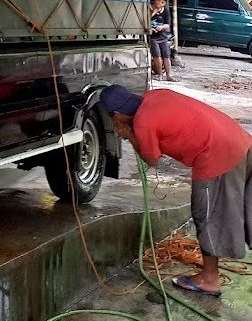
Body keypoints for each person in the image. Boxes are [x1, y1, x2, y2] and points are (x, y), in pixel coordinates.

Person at [100, 84, 252, 297]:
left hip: (217, 154)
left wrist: (128, 133)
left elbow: (151, 159)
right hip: (240, 140)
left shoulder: (143, 122)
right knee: (247, 210)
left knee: (206, 215)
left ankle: (209, 280)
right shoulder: (153, 96)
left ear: (116, 115)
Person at [149, 0, 176, 81]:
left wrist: (161, 27)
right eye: (157, 0)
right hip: (153, 37)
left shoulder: (166, 11)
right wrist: (154, 12)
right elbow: (145, 20)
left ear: (163, 3)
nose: (158, 2)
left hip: (163, 36)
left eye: (161, 1)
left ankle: (168, 75)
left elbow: (167, 24)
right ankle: (160, 75)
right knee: (157, 56)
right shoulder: (149, 9)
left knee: (166, 56)